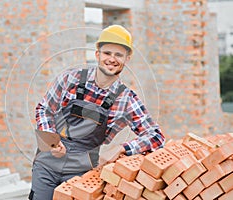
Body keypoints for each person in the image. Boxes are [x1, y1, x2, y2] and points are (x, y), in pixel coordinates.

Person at [29, 25, 165, 200]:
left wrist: (122, 148)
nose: (112, 59)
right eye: (107, 53)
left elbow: (156, 136)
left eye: (119, 55)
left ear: (127, 59)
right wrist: (51, 141)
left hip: (81, 172)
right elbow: (44, 109)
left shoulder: (126, 99)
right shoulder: (71, 78)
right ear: (97, 54)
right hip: (47, 164)